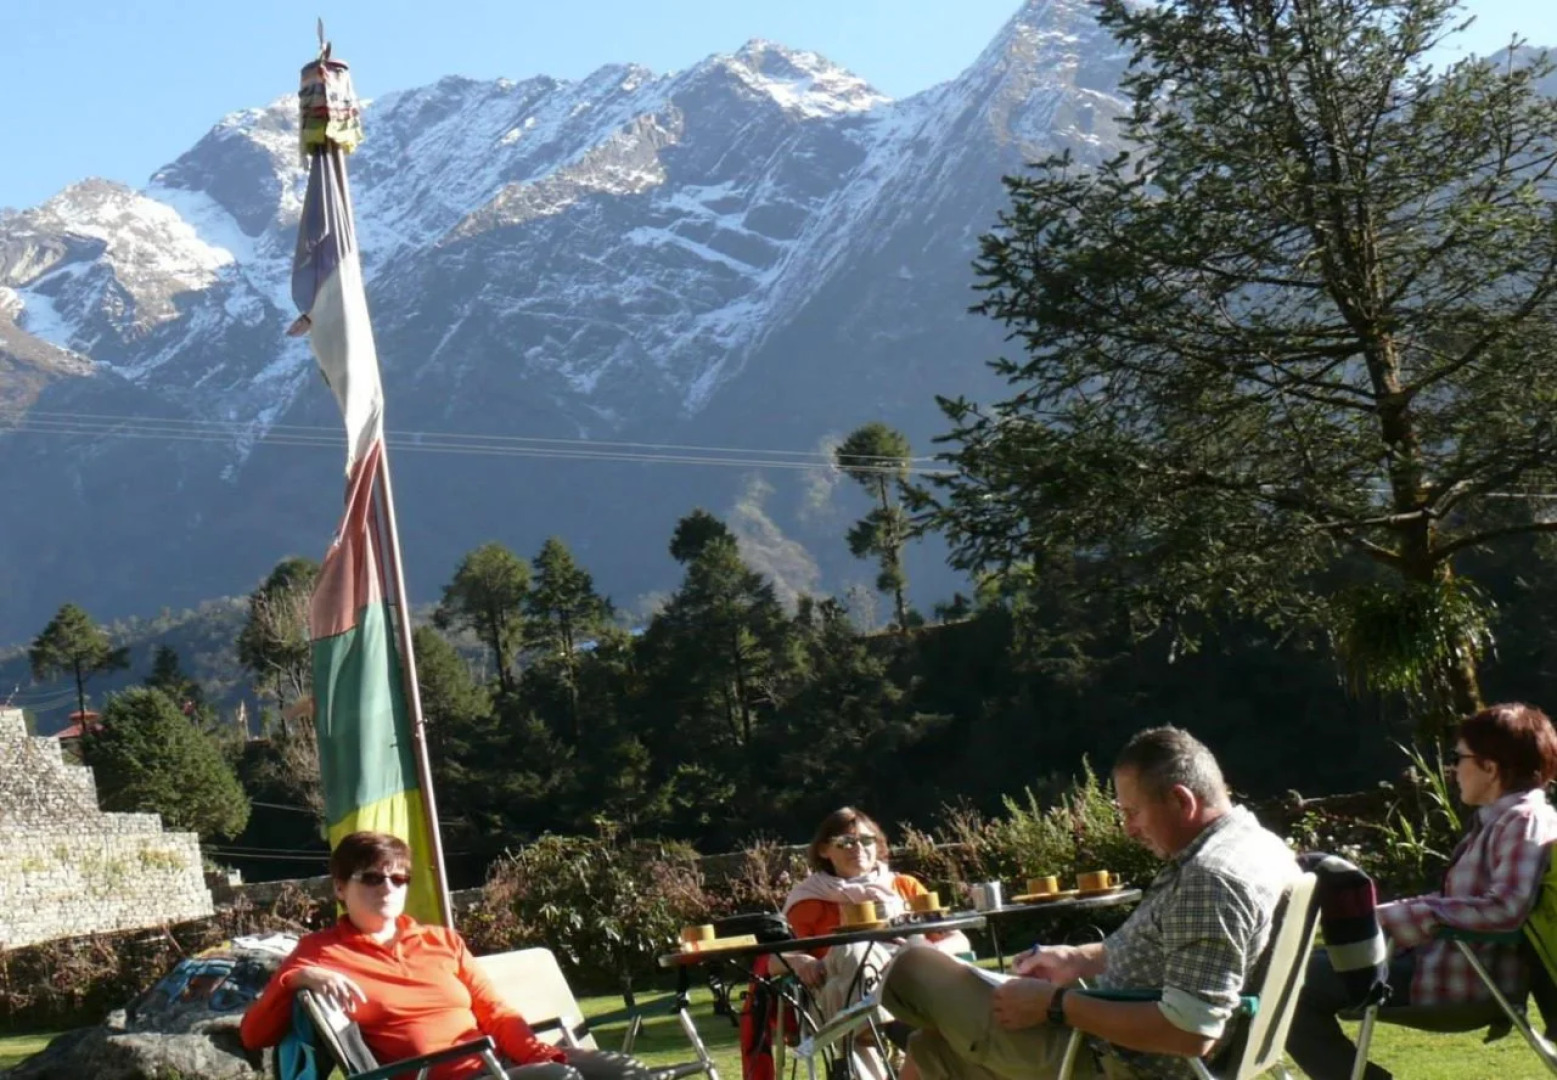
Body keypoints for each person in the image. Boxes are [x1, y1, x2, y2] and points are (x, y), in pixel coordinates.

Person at [880, 726, 1299, 1080]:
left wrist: (1055, 1004)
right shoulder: (1257, 847)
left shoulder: (1211, 879)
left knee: (913, 964)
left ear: (1181, 800)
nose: (1129, 829)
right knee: (930, 1049)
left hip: (1118, 1061)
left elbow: (1190, 1030)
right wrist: (1077, 959)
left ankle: (897, 1024)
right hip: (1116, 1044)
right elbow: (1170, 953)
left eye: (1133, 812)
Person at [240, 830, 661, 1080]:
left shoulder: (442, 941)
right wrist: (295, 979)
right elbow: (253, 1036)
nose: (387, 888)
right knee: (559, 1079)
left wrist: (539, 1053)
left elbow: (494, 1012)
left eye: (398, 877)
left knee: (631, 1073)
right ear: (338, 888)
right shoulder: (321, 952)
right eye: (371, 878)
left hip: (500, 1065)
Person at [1286, 702, 1557, 1080]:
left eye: (1458, 757)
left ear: (1490, 768)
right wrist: (1400, 912)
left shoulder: (1522, 821)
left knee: (1289, 987)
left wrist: (1409, 915)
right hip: (1439, 967)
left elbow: (1506, 908)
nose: (1453, 769)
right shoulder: (1501, 820)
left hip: (1459, 983)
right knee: (1292, 973)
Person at [774, 808, 971, 1079]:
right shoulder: (807, 900)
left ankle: (876, 1027)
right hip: (833, 998)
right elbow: (774, 961)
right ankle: (884, 1029)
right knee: (852, 946)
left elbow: (959, 939)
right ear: (823, 850)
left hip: (903, 986)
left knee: (894, 956)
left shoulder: (904, 887)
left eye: (866, 840)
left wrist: (926, 953)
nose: (858, 848)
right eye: (845, 842)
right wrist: (801, 960)